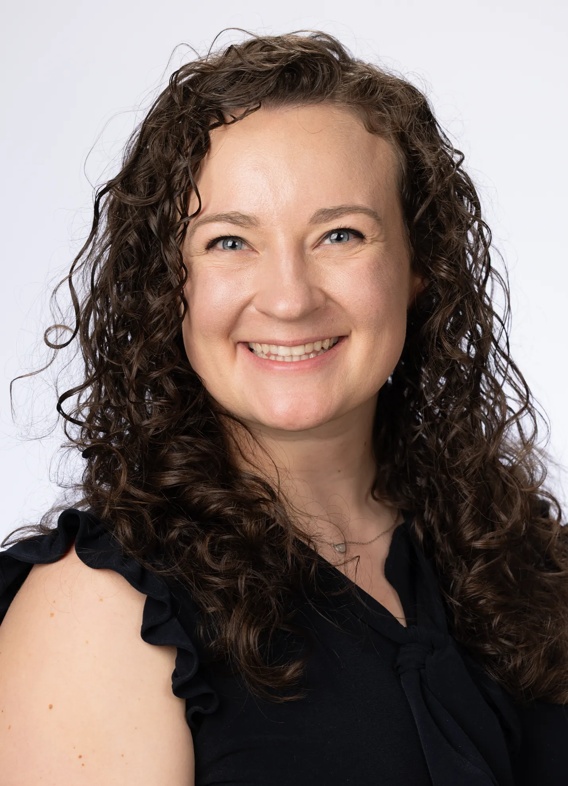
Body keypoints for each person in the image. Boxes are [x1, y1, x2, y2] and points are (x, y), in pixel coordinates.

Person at [0, 30, 567, 786]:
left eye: (340, 234)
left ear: (419, 265)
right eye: (229, 242)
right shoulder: (96, 612)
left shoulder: (516, 560)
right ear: (169, 285)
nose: (291, 298)